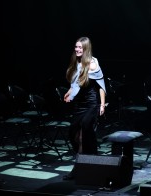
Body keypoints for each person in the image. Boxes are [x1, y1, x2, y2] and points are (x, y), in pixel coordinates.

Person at [63, 37, 106, 180]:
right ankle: (89, 161)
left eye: (80, 48)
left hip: (91, 104)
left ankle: (78, 168)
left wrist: (101, 104)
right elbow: (76, 81)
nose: (77, 50)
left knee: (84, 134)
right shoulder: (77, 61)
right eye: (76, 47)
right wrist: (70, 91)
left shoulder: (93, 63)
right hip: (79, 104)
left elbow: (101, 85)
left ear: (86, 48)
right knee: (73, 134)